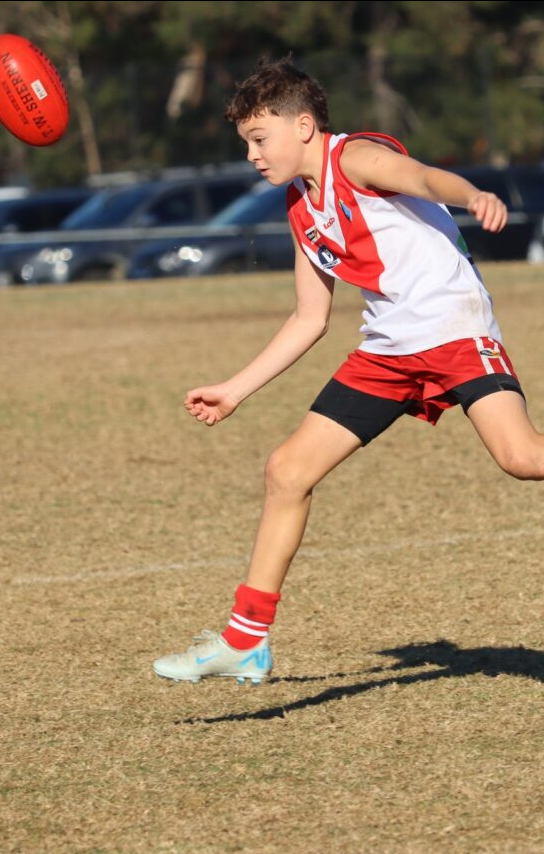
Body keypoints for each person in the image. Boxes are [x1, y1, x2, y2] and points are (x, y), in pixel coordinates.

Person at [153, 58, 543, 685]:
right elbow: (310, 318)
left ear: (304, 126)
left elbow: (422, 177)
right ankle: (244, 641)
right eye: (246, 143)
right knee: (287, 471)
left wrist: (471, 195)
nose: (252, 155)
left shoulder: (355, 157)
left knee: (521, 458)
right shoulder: (300, 205)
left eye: (260, 139)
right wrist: (234, 390)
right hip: (389, 348)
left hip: (453, 330)